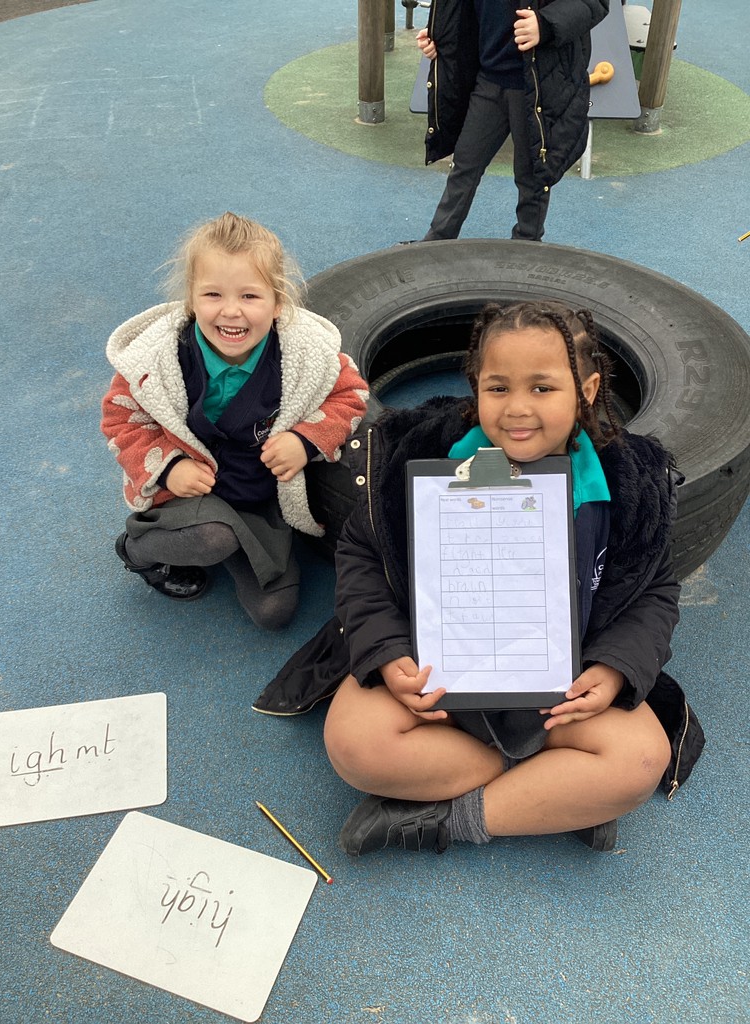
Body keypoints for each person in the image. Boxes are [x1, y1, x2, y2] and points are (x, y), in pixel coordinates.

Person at [319, 299, 704, 855]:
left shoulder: (628, 484)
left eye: (543, 388)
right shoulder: (419, 460)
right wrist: (385, 651)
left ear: (587, 391)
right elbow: (361, 553)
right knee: (353, 744)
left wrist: (615, 670)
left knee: (641, 758)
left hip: (559, 696)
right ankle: (551, 796)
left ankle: (447, 818)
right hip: (440, 686)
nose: (518, 408)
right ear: (475, 386)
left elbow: (655, 591)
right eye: (498, 387)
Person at [101, 212, 369, 629]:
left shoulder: (304, 356)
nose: (230, 312)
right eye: (212, 295)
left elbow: (352, 394)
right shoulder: (156, 361)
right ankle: (138, 550)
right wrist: (170, 467)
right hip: (189, 493)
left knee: (274, 613)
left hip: (255, 497)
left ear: (278, 303)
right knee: (212, 537)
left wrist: (305, 439)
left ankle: (236, 545)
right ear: (191, 299)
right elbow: (122, 419)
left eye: (249, 296)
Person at [417, 0, 609, 241]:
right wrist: (440, 36)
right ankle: (437, 239)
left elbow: (594, 3)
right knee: (465, 163)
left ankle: (527, 242)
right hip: (488, 79)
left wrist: (545, 24)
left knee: (531, 174)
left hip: (536, 83)